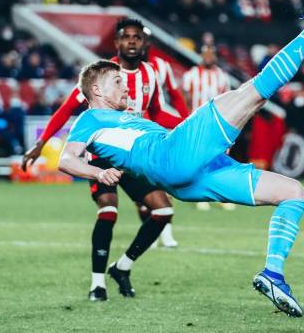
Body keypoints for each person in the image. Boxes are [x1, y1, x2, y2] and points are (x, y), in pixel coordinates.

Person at [58, 0, 304, 317]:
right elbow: (66, 159)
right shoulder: (91, 117)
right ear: (96, 88)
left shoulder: (122, 118)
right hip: (171, 157)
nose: (125, 85)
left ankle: (274, 274)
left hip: (184, 180)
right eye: (117, 81)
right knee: (254, 90)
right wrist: (97, 172)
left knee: (294, 192)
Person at [22, 18, 189, 301]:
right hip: (101, 154)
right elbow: (66, 109)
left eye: (137, 37)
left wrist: (188, 126)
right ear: (118, 43)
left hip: (135, 154)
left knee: (162, 211)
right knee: (108, 210)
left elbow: (158, 112)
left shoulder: (150, 74)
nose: (132, 42)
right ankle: (97, 284)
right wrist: (42, 143)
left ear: (145, 43)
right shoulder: (101, 75)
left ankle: (122, 267)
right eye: (127, 37)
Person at [182, 40, 232, 210]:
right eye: (206, 53)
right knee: (198, 160)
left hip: (217, 124)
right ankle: (200, 195)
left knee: (219, 160)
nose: (209, 57)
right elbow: (185, 99)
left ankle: (220, 196)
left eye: (212, 53)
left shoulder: (222, 76)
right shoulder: (191, 74)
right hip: (197, 124)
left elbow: (227, 99)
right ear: (202, 55)